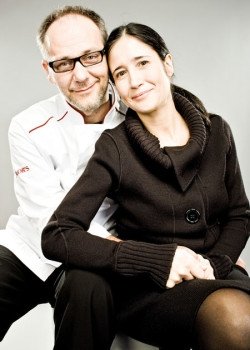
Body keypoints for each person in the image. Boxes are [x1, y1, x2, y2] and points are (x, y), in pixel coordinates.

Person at [42, 22, 250, 350]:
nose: (135, 81)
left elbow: (239, 213)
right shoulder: (115, 146)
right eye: (121, 73)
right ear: (115, 86)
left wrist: (218, 263)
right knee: (234, 319)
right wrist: (153, 259)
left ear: (167, 63)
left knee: (241, 320)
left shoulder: (218, 130)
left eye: (142, 63)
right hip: (149, 289)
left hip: (215, 276)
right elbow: (58, 234)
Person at [0, 6, 125, 350]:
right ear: (48, 71)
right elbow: (47, 217)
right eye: (65, 63)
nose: (81, 75)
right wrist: (125, 249)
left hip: (96, 259)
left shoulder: (137, 121)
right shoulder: (26, 124)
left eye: (90, 57)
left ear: (107, 55)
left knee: (89, 291)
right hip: (29, 249)